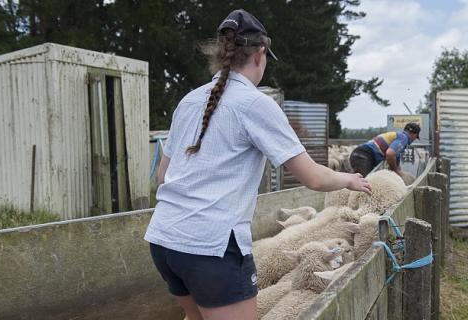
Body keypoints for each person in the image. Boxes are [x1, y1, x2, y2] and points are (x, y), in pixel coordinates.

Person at [143, 9, 371, 320]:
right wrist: (349, 180)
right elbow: (313, 178)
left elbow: (163, 174)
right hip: (211, 247)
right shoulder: (255, 104)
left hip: (165, 240)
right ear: (260, 54)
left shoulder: (189, 101)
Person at [349, 122, 420, 178]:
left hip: (361, 154)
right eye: (416, 137)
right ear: (414, 134)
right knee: (363, 184)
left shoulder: (398, 136)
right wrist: (395, 171)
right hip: (364, 155)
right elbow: (390, 154)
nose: (414, 139)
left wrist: (397, 168)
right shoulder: (403, 138)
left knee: (361, 182)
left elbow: (395, 156)